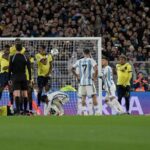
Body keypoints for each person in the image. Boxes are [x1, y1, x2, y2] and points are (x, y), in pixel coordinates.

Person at [71, 48, 100, 115]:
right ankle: (97, 112)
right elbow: (96, 70)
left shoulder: (79, 61)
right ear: (89, 53)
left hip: (82, 82)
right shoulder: (91, 60)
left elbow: (72, 69)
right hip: (89, 82)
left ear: (83, 53)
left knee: (83, 97)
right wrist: (95, 78)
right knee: (93, 96)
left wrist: (77, 76)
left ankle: (85, 113)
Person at [8, 43, 31, 115]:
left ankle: (18, 111)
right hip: (23, 77)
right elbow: (29, 69)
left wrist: (9, 79)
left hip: (15, 77)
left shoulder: (12, 57)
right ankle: (24, 110)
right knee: (25, 94)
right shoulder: (25, 57)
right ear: (21, 49)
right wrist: (29, 78)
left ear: (15, 48)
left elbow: (9, 69)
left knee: (17, 94)